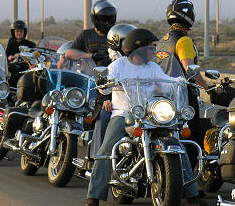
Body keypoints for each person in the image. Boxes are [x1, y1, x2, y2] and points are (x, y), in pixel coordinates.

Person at [86, 28, 206, 206]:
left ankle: (192, 195)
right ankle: (93, 196)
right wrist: (104, 81)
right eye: (151, 47)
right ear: (139, 48)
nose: (154, 51)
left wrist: (181, 81)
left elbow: (166, 83)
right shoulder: (118, 66)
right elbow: (105, 88)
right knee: (106, 150)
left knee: (177, 144)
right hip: (124, 114)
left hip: (151, 114)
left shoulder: (153, 67)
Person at [156, 0, 209, 171]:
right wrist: (205, 84)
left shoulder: (162, 40)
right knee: (192, 138)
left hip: (161, 96)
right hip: (183, 96)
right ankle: (190, 183)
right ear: (188, 15)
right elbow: (189, 68)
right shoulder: (183, 40)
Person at [89, 23, 137, 159]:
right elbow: (100, 86)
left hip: (133, 105)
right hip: (108, 104)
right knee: (104, 115)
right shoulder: (105, 63)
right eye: (126, 42)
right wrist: (106, 99)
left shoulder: (137, 63)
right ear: (116, 43)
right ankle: (98, 157)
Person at [65, 0, 117, 66]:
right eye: (103, 19)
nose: (107, 23)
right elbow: (69, 53)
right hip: (88, 75)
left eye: (109, 19)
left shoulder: (115, 36)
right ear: (95, 18)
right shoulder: (85, 35)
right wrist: (91, 56)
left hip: (110, 74)